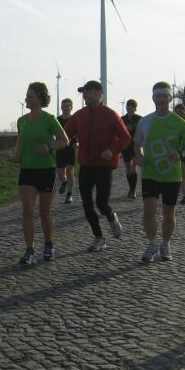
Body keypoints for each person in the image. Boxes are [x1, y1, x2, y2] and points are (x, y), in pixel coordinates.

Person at [62, 80, 131, 252]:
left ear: (100, 93)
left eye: (89, 91)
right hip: (85, 166)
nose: (85, 95)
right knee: (86, 204)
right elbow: (65, 133)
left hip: (103, 166)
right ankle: (99, 237)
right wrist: (52, 140)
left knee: (101, 203)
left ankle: (111, 216)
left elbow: (126, 138)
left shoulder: (110, 115)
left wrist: (112, 150)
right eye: (83, 92)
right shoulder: (79, 115)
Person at [133, 83, 185, 263]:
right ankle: (152, 244)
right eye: (158, 96)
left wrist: (180, 154)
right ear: (153, 98)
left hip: (171, 175)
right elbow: (137, 144)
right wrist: (139, 156)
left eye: (164, 96)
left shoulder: (180, 123)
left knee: (169, 214)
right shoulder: (145, 121)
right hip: (150, 173)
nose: (161, 99)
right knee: (149, 210)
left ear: (170, 98)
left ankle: (166, 244)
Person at [14, 83, 70, 265]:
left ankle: (48, 244)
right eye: (26, 96)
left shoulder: (49, 119)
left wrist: (49, 147)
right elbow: (20, 140)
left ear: (39, 99)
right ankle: (29, 250)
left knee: (44, 211)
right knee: (27, 210)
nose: (26, 99)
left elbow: (65, 141)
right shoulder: (21, 121)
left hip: (46, 170)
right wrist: (15, 155)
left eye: (30, 96)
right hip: (27, 170)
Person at [55, 98, 77, 203]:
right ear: (61, 107)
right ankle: (64, 182)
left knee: (69, 169)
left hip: (70, 148)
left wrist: (78, 142)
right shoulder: (57, 120)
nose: (65, 108)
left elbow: (79, 132)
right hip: (60, 148)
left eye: (67, 106)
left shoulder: (74, 119)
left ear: (71, 107)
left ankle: (69, 194)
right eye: (63, 106)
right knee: (60, 174)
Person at [120, 99, 142, 199]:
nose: (129, 109)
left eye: (131, 107)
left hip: (135, 145)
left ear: (135, 108)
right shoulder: (122, 119)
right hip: (126, 146)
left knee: (133, 167)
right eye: (128, 107)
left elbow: (142, 131)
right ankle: (131, 188)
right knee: (128, 168)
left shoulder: (139, 119)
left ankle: (133, 191)